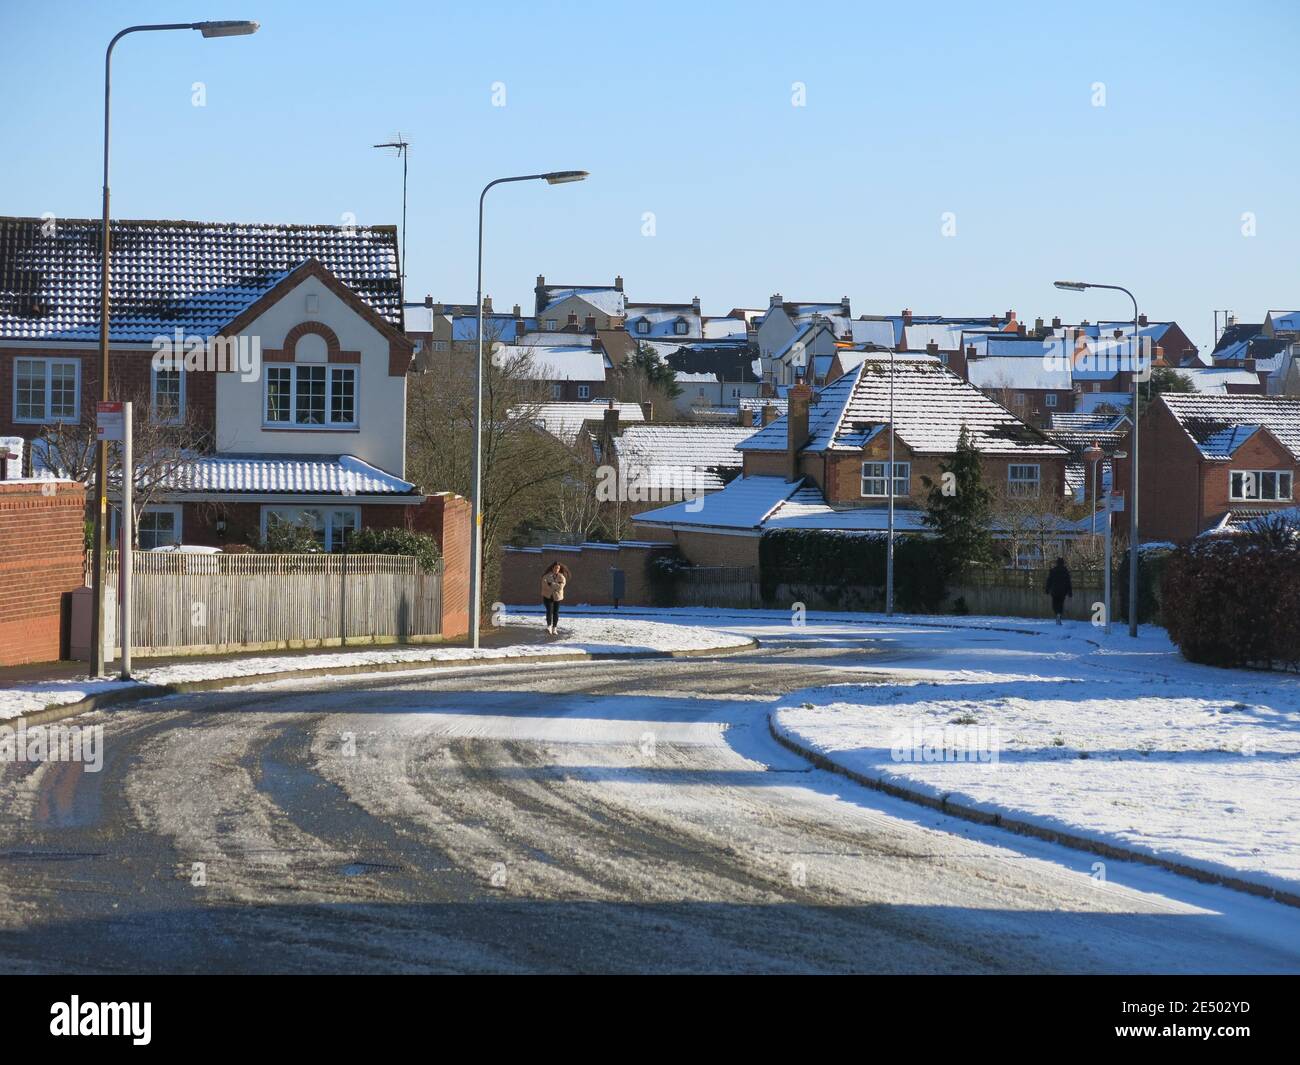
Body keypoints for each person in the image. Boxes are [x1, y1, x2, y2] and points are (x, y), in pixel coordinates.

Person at [541, 561, 569, 634]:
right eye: (555, 568)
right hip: (547, 595)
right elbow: (544, 585)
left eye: (558, 568)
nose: (557, 569)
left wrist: (551, 584)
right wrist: (555, 586)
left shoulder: (562, 577)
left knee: (555, 612)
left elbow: (560, 587)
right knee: (549, 611)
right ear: (552, 568)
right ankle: (549, 627)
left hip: (557, 596)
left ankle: (554, 628)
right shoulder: (546, 576)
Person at [1045, 557, 1072, 624]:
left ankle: (1057, 613)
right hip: (1063, 591)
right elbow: (1068, 582)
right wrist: (1070, 592)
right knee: (1061, 603)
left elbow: (1049, 581)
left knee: (1054, 604)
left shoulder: (1053, 570)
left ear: (1057, 563)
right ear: (1063, 563)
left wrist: (1047, 589)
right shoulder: (1065, 571)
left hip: (1054, 590)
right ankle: (1059, 614)